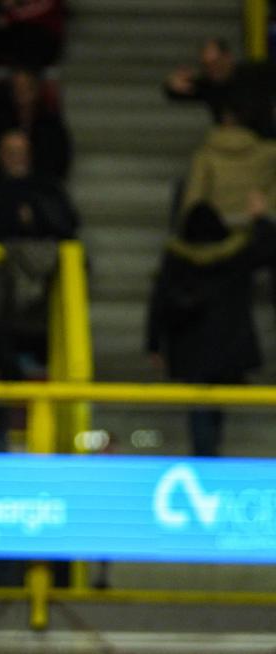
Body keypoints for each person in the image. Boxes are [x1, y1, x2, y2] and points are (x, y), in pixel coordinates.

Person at [147, 199, 276, 456]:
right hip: (228, 345)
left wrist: (153, 344)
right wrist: (261, 219)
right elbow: (269, 249)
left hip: (189, 346)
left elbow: (159, 302)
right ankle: (210, 454)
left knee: (200, 404)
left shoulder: (176, 257)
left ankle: (205, 455)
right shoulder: (236, 254)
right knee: (215, 405)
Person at [164, 38, 276, 137]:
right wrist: (171, 84)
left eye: (216, 63)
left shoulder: (254, 72)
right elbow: (176, 92)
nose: (213, 69)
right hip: (229, 144)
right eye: (206, 65)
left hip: (262, 143)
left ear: (228, 57)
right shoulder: (208, 85)